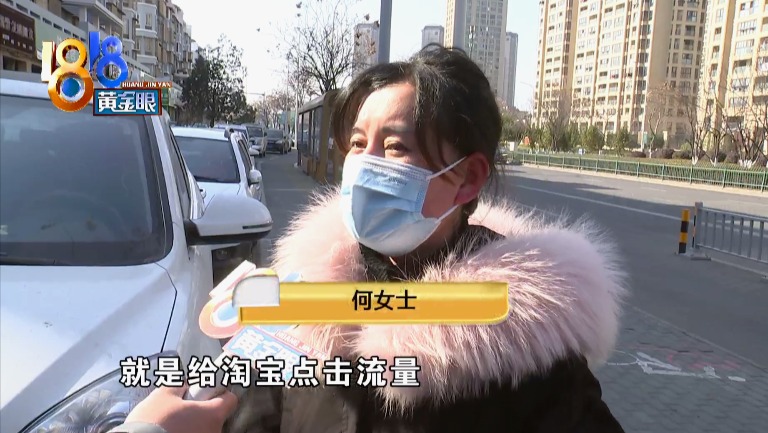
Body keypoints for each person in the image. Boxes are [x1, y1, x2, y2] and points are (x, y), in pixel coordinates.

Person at [114, 45, 627, 432]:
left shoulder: (527, 352)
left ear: (467, 178)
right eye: (358, 143)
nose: (363, 166)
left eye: (396, 147)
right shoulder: (299, 306)